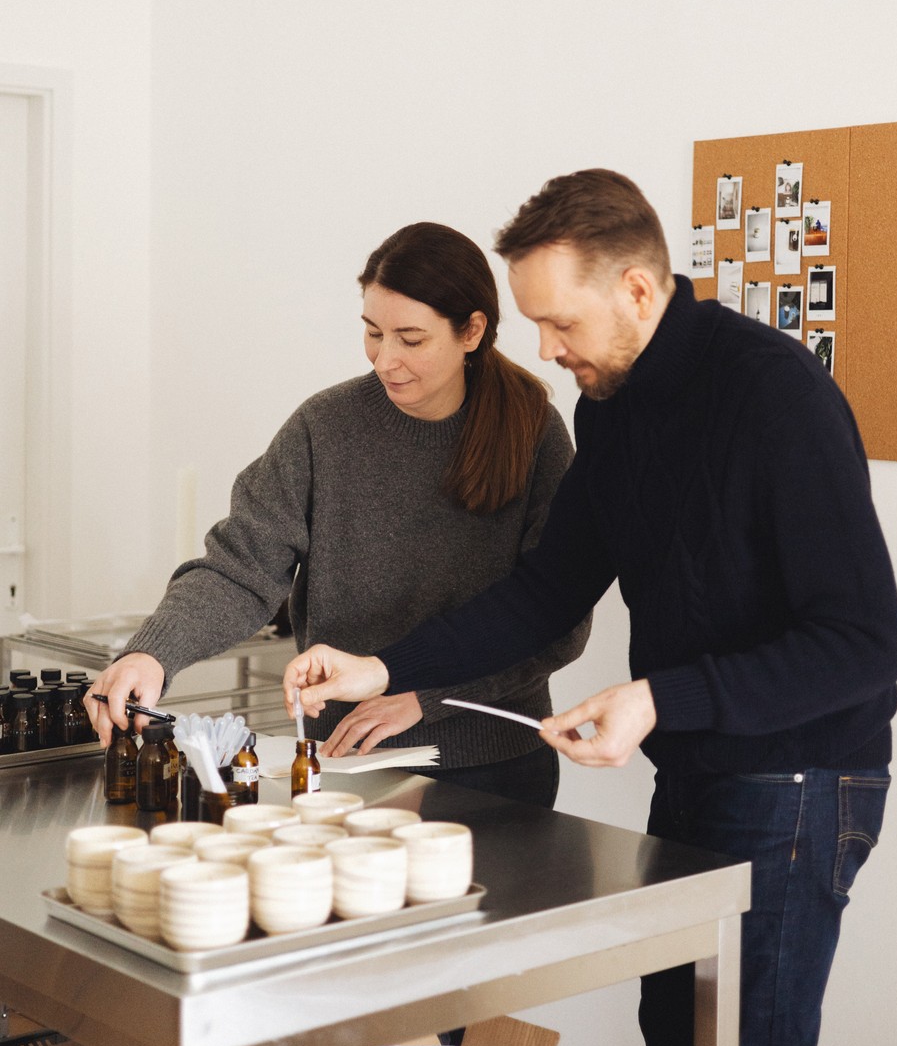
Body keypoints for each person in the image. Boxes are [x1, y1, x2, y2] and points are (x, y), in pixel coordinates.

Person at [282, 171, 897, 1046]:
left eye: (559, 322)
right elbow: (545, 589)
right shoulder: (610, 406)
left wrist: (658, 697)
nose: (545, 348)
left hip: (800, 779)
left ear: (638, 291)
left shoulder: (774, 394)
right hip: (695, 767)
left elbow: (864, 644)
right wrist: (386, 668)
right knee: (681, 1043)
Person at [85, 221, 590, 809]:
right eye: (373, 333)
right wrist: (153, 653)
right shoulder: (324, 428)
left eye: (411, 339)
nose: (386, 360)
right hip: (346, 766)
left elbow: (557, 620)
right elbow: (239, 569)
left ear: (472, 331)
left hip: (497, 768)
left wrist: (425, 699)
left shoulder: (534, 433)